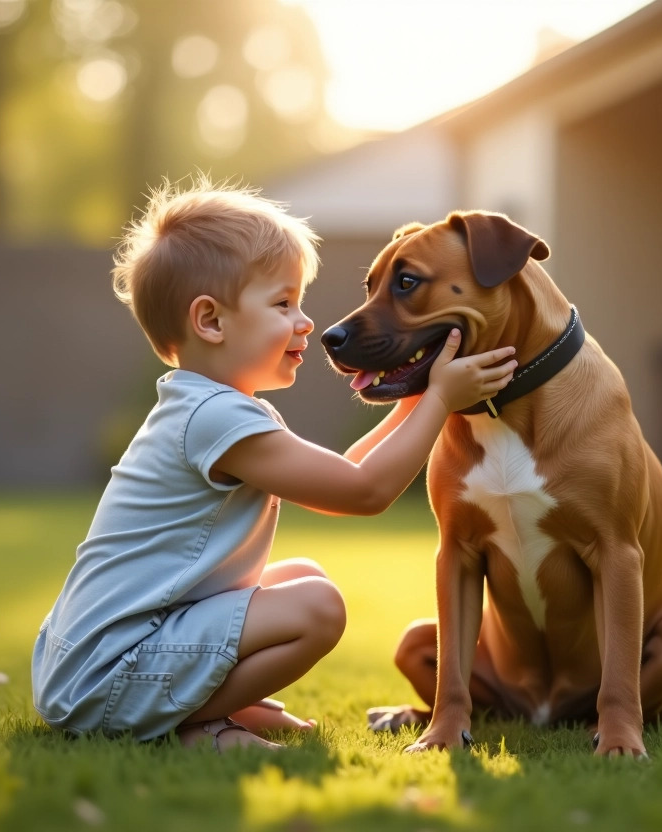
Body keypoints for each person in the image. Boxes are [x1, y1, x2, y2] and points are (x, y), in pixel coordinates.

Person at [31, 178, 517, 751]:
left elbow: (343, 474)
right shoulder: (218, 419)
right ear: (210, 321)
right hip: (107, 675)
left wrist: (414, 393)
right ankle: (197, 722)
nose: (305, 321)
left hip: (90, 659)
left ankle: (211, 702)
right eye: (283, 304)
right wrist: (438, 400)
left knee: (301, 576)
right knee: (318, 607)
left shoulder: (211, 407)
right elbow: (364, 491)